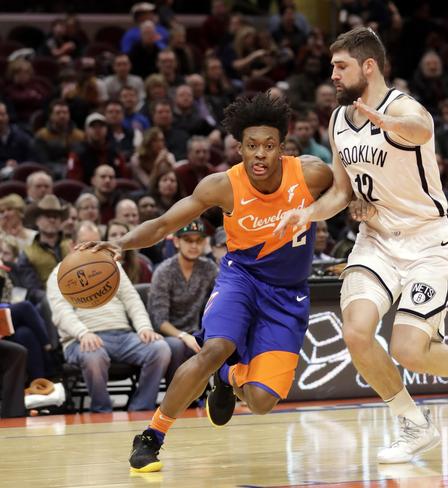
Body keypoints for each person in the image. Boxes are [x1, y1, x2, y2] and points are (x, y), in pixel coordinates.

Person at [276, 27, 448, 464]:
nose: (333, 76)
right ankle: (412, 423)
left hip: (426, 243)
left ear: (368, 66)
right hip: (375, 241)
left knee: (408, 349)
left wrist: (387, 123)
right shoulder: (339, 120)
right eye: (332, 68)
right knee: (357, 332)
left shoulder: (402, 108)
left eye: (340, 67)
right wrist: (306, 214)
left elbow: (419, 129)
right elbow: (341, 193)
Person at [78, 93, 333, 472]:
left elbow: (350, 190)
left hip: (288, 295)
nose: (259, 154)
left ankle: (228, 376)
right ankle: (152, 436)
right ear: (239, 148)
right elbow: (165, 223)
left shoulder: (312, 174)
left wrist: (361, 206)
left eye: (268, 146)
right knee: (215, 347)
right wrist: (121, 242)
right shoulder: (222, 186)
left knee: (262, 402)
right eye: (251, 146)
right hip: (241, 279)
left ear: (283, 147)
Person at [47, 221, 171, 413]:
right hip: (82, 339)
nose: (89, 248)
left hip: (122, 336)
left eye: (94, 243)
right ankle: (101, 411)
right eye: (84, 243)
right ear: (73, 245)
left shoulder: (111, 266)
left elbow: (132, 299)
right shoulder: (59, 274)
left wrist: (144, 328)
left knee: (160, 349)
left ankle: (140, 408)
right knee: (93, 356)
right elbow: (61, 312)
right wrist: (83, 333)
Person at [148, 220, 218, 383]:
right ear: (177, 241)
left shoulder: (209, 268)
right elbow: (159, 321)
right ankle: (176, 397)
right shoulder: (164, 271)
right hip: (166, 335)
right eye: (188, 240)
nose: (194, 245)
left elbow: (219, 303)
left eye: (199, 240)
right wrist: (183, 335)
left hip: (196, 332)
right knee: (178, 346)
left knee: (219, 342)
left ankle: (214, 395)